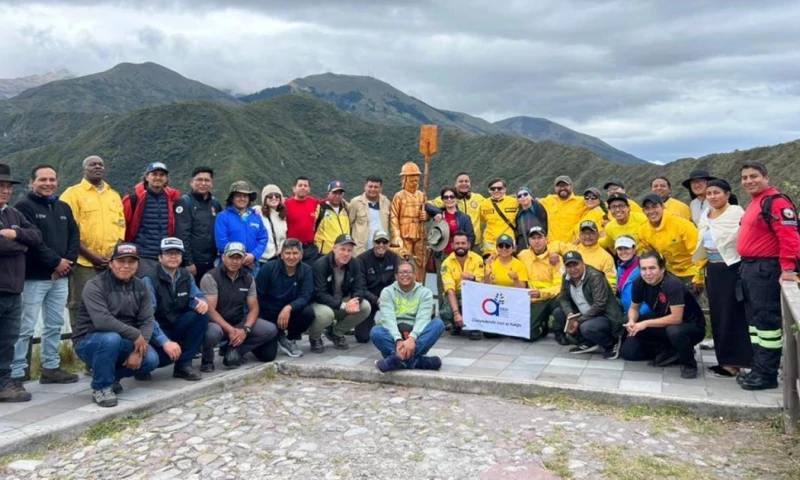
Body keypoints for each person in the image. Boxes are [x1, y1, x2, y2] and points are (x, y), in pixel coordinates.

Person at [11, 165, 80, 389]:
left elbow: (74, 235)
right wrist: (56, 262)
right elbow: (33, 242)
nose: (48, 183)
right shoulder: (23, 207)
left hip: (60, 278)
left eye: (52, 179)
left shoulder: (63, 207)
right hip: (34, 277)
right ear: (32, 182)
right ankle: (16, 373)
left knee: (55, 324)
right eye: (43, 179)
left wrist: (67, 263)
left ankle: (51, 367)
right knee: (25, 326)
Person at [71, 243, 160, 407]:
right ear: (111, 263)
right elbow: (102, 320)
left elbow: (147, 319)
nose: (126, 266)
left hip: (125, 340)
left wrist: (139, 350)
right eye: (121, 261)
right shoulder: (95, 285)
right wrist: (135, 335)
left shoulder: (141, 286)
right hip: (90, 339)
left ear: (138, 265)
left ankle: (111, 377)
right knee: (111, 339)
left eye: (131, 262)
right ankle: (101, 388)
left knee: (151, 360)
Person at [737, 161, 800, 390]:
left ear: (766, 177)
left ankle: (767, 374)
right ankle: (758, 368)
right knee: (755, 322)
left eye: (754, 176)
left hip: (765, 269)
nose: (749, 181)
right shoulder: (755, 202)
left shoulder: (777, 202)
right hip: (749, 269)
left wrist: (788, 269)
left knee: (767, 323)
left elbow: (790, 236)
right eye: (745, 177)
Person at [693, 179, 751, 378]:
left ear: (727, 194)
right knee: (718, 314)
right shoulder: (706, 214)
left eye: (716, 192)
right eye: (709, 193)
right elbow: (703, 240)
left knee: (732, 314)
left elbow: (743, 237)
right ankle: (724, 360)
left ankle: (737, 362)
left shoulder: (736, 213)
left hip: (732, 268)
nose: (712, 197)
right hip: (713, 268)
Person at [60, 155, 125, 330]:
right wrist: (92, 256)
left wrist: (113, 256)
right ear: (84, 169)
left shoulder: (114, 195)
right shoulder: (72, 194)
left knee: (110, 303)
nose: (97, 167)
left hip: (110, 263)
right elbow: (68, 230)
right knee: (81, 304)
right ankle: (80, 342)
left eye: (100, 164)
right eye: (92, 164)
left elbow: (121, 226)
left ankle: (106, 341)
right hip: (83, 262)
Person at [621, 251, 706, 379]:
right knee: (629, 352)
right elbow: (634, 308)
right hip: (664, 321)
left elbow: (676, 318)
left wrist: (645, 324)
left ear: (662, 269)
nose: (648, 273)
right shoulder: (639, 282)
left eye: (652, 268)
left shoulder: (673, 284)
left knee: (674, 331)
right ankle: (670, 351)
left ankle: (688, 363)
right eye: (643, 269)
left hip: (690, 325)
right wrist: (632, 321)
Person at [200, 242, 278, 371]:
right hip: (216, 323)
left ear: (243, 259)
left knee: (270, 329)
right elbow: (210, 311)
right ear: (223, 257)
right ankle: (207, 361)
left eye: (238, 257)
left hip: (238, 320)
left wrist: (245, 329)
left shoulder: (248, 277)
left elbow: (254, 308)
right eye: (231, 257)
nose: (235, 261)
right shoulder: (211, 277)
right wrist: (230, 330)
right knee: (212, 332)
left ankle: (234, 349)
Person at [0, 164, 42, 403]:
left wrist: (15, 235)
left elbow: (36, 236)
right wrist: (22, 246)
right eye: (1, 186)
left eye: (8, 186)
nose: (6, 191)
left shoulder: (13, 214)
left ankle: (3, 384)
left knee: (8, 340)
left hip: (14, 290)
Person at [141, 238, 209, 381]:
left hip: (176, 323)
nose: (173, 257)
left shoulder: (186, 276)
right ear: (160, 257)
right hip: (154, 329)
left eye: (177, 253)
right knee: (161, 358)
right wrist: (165, 341)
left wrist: (202, 302)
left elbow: (196, 297)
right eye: (168, 253)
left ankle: (184, 365)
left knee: (201, 314)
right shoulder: (149, 280)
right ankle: (142, 368)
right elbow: (147, 318)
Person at [371, 260, 444, 372]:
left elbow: (423, 318)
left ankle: (397, 359)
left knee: (438, 324)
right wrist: (398, 340)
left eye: (408, 272)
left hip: (416, 337)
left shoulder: (425, 293)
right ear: (396, 276)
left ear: (415, 275)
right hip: (394, 336)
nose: (405, 275)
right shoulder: (387, 292)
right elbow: (388, 319)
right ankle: (416, 362)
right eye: (401, 272)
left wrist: (412, 338)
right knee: (376, 331)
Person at [552, 251, 624, 358]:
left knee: (587, 327)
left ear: (582, 263)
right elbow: (563, 298)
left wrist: (578, 321)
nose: (572, 269)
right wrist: (569, 314)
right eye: (569, 266)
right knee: (558, 313)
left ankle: (612, 343)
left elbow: (600, 305)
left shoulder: (595, 277)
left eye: (575, 264)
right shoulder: (566, 277)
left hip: (604, 315)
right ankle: (588, 342)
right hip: (585, 313)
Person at [310, 234, 372, 352]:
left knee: (365, 306)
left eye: (349, 250)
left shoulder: (355, 263)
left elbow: (360, 287)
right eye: (342, 249)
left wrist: (355, 301)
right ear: (334, 249)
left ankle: (336, 332)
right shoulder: (320, 264)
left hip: (341, 301)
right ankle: (314, 338)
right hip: (321, 303)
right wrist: (343, 305)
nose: (346, 253)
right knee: (326, 315)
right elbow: (320, 294)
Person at [255, 238, 315, 358]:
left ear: (301, 255)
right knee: (268, 356)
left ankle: (290, 339)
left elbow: (305, 295)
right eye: (288, 253)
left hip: (290, 312)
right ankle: (275, 336)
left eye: (295, 253)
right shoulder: (268, 268)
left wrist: (289, 307)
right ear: (281, 254)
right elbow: (257, 296)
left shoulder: (306, 270)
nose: (291, 257)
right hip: (268, 315)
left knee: (308, 312)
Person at [122, 162, 182, 278]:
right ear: (146, 177)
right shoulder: (133, 200)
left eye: (162, 175)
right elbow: (122, 227)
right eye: (154, 174)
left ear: (166, 178)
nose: (158, 177)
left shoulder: (172, 200)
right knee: (145, 286)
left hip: (165, 256)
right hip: (143, 255)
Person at [638, 194, 703, 294]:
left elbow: (700, 254)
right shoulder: (643, 230)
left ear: (663, 207)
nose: (651, 211)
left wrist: (699, 278)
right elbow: (650, 255)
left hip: (692, 272)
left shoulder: (682, 225)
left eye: (655, 207)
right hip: (670, 274)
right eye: (647, 208)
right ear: (643, 211)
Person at [174, 166, 223, 283]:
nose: (203, 183)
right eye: (199, 180)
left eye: (207, 180)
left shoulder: (215, 204)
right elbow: (182, 234)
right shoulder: (184, 202)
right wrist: (188, 262)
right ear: (192, 182)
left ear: (211, 183)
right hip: (193, 263)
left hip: (212, 262)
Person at [214, 181, 268, 277]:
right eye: (238, 196)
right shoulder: (223, 217)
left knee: (253, 287)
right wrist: (239, 258)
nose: (242, 198)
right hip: (230, 265)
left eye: (245, 196)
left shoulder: (255, 216)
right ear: (232, 198)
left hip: (252, 266)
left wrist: (254, 255)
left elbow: (263, 238)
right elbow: (221, 242)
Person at [517, 226, 562, 341]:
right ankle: (543, 325)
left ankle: (560, 330)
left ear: (546, 239)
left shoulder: (556, 258)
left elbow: (560, 286)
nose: (536, 241)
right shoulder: (523, 255)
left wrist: (541, 293)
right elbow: (507, 256)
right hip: (533, 300)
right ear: (529, 241)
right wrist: (493, 256)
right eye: (533, 238)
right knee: (528, 336)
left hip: (551, 298)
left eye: (539, 237)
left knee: (562, 302)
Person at [439, 231, 485, 340]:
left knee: (477, 297)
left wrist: (472, 278)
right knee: (446, 312)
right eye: (457, 243)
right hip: (456, 294)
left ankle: (475, 326)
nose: (460, 246)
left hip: (473, 293)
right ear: (452, 245)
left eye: (463, 243)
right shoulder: (446, 263)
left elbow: (481, 284)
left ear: (469, 245)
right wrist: (456, 313)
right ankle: (455, 323)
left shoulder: (478, 259)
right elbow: (450, 291)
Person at [356, 230, 400, 344]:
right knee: (362, 337)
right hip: (369, 299)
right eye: (378, 242)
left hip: (389, 298)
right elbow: (360, 287)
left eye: (384, 242)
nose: (381, 245)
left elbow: (397, 282)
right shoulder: (362, 259)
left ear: (388, 244)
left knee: (399, 332)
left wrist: (386, 298)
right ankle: (371, 323)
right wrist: (375, 300)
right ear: (373, 243)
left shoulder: (394, 258)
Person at [390, 162, 428, 282]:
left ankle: (420, 285)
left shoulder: (422, 195)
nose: (414, 183)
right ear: (405, 179)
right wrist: (396, 236)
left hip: (420, 234)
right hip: (404, 234)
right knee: (405, 261)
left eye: (416, 180)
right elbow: (393, 217)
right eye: (412, 181)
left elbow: (428, 212)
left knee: (421, 263)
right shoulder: (399, 196)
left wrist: (426, 216)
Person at [429, 173, 485, 253]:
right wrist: (437, 213)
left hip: (475, 243)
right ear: (455, 184)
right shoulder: (449, 198)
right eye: (460, 181)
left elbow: (490, 205)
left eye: (466, 181)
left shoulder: (478, 198)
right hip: (454, 245)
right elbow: (428, 204)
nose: (464, 183)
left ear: (470, 184)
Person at [558, 221, 617, 290]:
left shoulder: (606, 257)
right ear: (579, 235)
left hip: (594, 294)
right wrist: (554, 252)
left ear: (598, 235)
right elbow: (555, 245)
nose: (588, 236)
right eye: (584, 233)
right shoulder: (571, 250)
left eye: (591, 233)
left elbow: (612, 283)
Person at [426, 186, 476, 256]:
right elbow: (425, 205)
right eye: (446, 197)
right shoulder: (439, 217)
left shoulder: (464, 218)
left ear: (456, 198)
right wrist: (437, 216)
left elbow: (471, 237)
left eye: (452, 197)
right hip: (442, 254)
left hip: (459, 254)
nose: (449, 199)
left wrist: (466, 251)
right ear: (442, 200)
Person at [348, 176, 391, 256]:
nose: (373, 189)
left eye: (376, 187)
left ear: (381, 189)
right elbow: (348, 224)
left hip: (380, 249)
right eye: (370, 186)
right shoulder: (355, 202)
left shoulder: (386, 203)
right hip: (360, 251)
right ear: (365, 186)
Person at [540, 175, 587, 244]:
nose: (562, 188)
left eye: (565, 185)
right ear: (555, 188)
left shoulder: (582, 202)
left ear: (571, 186)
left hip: (573, 246)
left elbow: (596, 210)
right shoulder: (549, 200)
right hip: (553, 246)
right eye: (559, 186)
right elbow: (531, 202)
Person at [284, 176, 322, 263]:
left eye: (305, 185)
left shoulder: (314, 202)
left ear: (309, 189)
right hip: (291, 247)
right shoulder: (286, 204)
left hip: (309, 248)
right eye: (300, 185)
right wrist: (258, 208)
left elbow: (327, 202)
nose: (303, 187)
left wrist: (343, 202)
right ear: (294, 188)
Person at [479, 178, 519, 256]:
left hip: (508, 242)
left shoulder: (514, 202)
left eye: (499, 188)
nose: (496, 190)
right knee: (490, 263)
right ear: (489, 190)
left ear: (504, 189)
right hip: (490, 243)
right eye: (493, 188)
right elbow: (478, 221)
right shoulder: (483, 204)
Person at [614, 236, 651, 317]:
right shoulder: (620, 267)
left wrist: (641, 312)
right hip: (629, 314)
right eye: (620, 249)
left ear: (634, 249)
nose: (623, 252)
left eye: (626, 248)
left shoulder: (644, 267)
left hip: (643, 315)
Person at [315, 180, 351, 256]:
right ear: (328, 194)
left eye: (340, 193)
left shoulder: (346, 209)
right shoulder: (320, 208)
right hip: (325, 253)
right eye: (334, 193)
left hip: (343, 253)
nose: (337, 196)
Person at [258, 184, 287, 263]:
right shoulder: (258, 214)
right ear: (265, 199)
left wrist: (282, 248)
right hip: (261, 259)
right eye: (270, 196)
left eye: (277, 195)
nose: (274, 198)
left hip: (277, 259)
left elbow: (283, 238)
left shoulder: (282, 217)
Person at [514, 186, 548, 251]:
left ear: (530, 196)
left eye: (525, 194)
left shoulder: (541, 208)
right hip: (524, 246)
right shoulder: (517, 214)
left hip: (541, 245)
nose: (523, 197)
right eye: (519, 196)